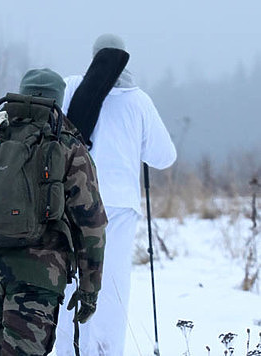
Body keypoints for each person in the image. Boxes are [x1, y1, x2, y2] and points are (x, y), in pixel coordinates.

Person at [0, 68, 107, 355]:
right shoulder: (67, 145)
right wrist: (90, 290)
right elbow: (91, 224)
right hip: (38, 276)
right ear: (59, 99)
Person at [56, 34, 177, 355]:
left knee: (71, 281)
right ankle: (108, 350)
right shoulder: (139, 101)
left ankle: (70, 350)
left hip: (71, 203)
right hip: (120, 208)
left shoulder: (71, 87)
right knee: (112, 288)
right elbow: (164, 157)